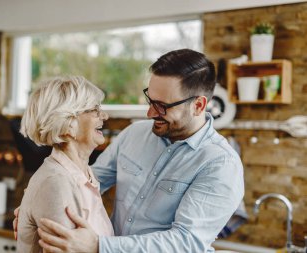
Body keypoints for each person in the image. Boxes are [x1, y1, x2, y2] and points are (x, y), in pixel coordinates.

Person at [15, 49, 245, 253]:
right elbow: (90, 180)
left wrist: (99, 247)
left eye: (162, 106)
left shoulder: (220, 165)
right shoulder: (135, 134)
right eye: (150, 100)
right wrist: (36, 208)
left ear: (198, 106)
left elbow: (185, 242)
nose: (150, 114)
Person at [16, 76, 114, 253]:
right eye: (94, 109)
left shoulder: (82, 175)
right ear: (69, 124)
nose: (104, 116)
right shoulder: (56, 182)